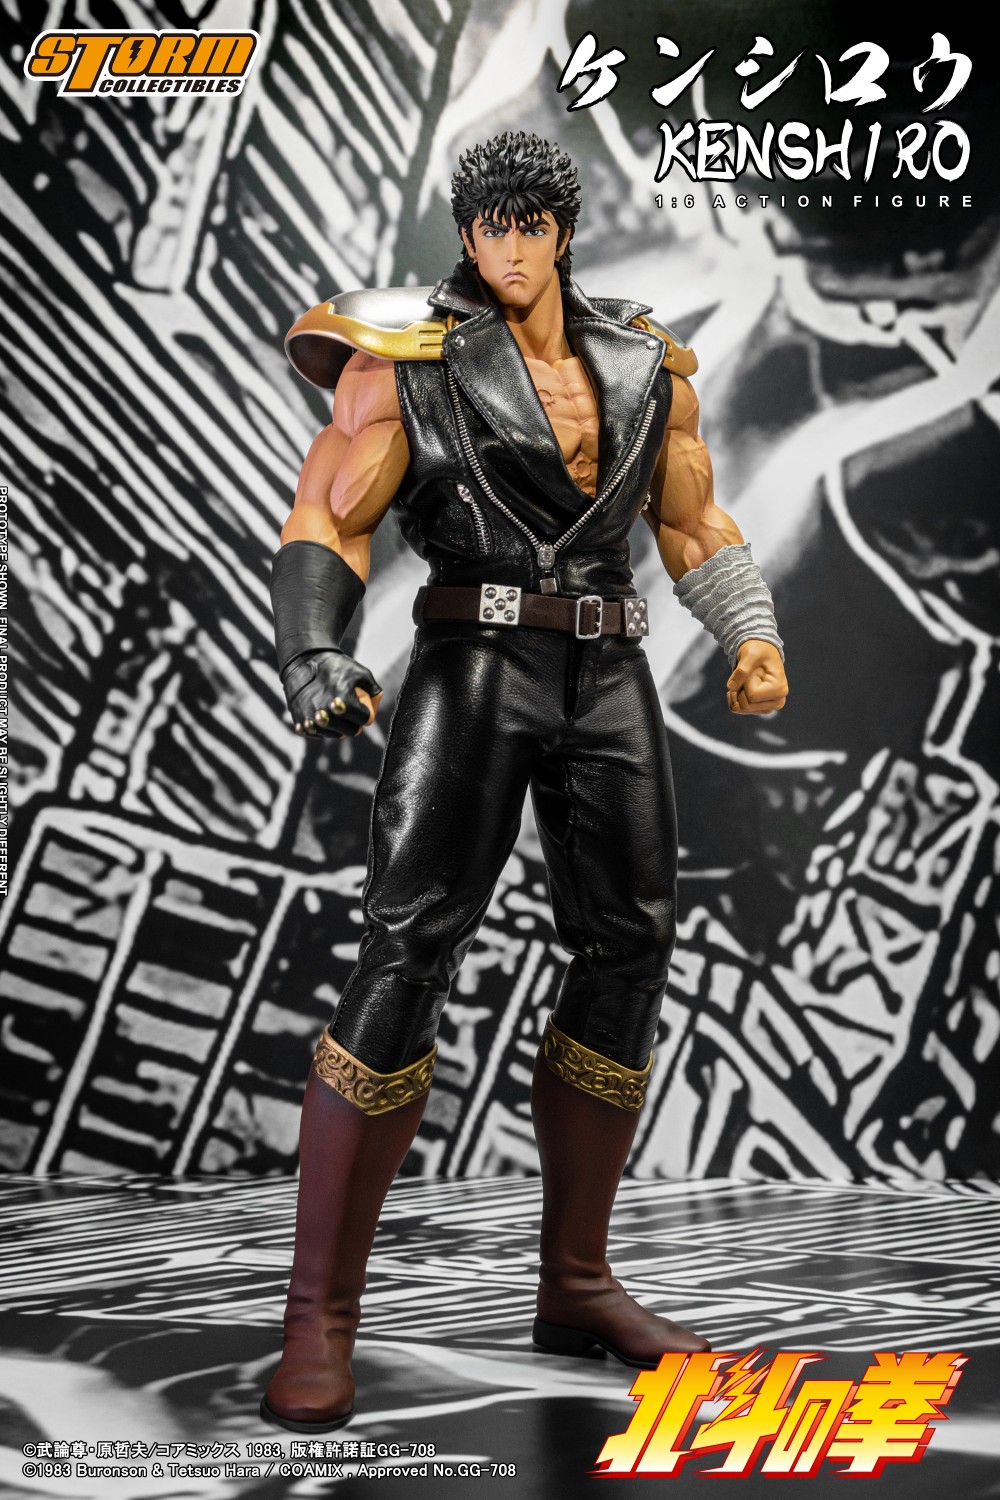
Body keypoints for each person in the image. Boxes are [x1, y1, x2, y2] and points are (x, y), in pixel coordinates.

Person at [261, 131, 788, 1433]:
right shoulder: (407, 357)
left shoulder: (642, 361)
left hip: (608, 669)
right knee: (407, 949)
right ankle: (320, 1316)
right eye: (485, 224)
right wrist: (317, 649)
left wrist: (750, 630)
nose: (504, 246)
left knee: (630, 948)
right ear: (467, 230)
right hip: (474, 663)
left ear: (560, 231)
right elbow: (329, 508)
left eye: (526, 224)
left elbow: (690, 519)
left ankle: (578, 1284)